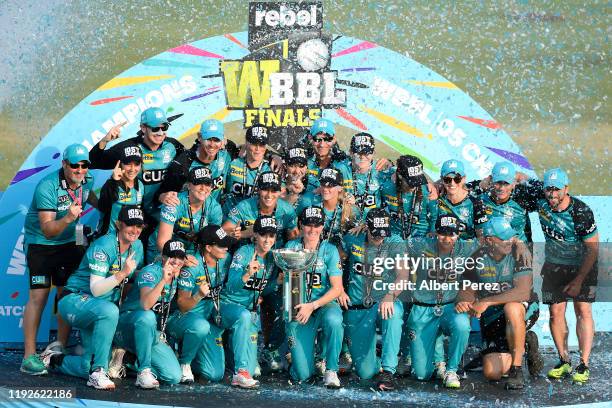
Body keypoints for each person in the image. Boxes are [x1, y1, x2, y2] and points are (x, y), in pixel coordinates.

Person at [45, 205, 145, 390]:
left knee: (85, 367)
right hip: (75, 299)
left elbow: (129, 282)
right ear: (119, 224)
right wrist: (122, 274)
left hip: (102, 308)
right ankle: (99, 372)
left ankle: (53, 360)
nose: (135, 230)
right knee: (109, 311)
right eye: (131, 225)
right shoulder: (104, 245)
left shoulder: (137, 246)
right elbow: (97, 289)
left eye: (139, 226)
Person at [21, 143, 98, 375]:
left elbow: (91, 197)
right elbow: (47, 229)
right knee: (39, 296)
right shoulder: (47, 186)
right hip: (42, 245)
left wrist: (111, 201)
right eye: (75, 165)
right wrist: (68, 218)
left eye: (84, 165)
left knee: (66, 293)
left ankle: (59, 347)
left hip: (69, 244)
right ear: (64, 164)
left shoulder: (88, 179)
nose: (80, 169)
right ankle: (28, 356)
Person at [522, 168, 598, 384]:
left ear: (566, 189)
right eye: (548, 189)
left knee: (582, 309)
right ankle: (564, 360)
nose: (552, 194)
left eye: (557, 189)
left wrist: (577, 281)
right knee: (556, 313)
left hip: (583, 265)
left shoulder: (581, 212)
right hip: (555, 265)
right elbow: (522, 179)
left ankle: (583, 363)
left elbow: (593, 250)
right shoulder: (541, 197)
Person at [457, 217, 542, 390]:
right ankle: (524, 342)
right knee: (492, 373)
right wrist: (464, 300)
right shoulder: (476, 258)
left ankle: (517, 370)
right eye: (504, 238)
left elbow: (523, 291)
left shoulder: (519, 253)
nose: (510, 240)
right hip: (492, 313)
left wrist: (486, 301)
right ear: (489, 240)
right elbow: (467, 288)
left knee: (511, 307)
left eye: (511, 236)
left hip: (522, 307)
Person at [405, 214, 476, 389]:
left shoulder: (467, 248)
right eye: (442, 233)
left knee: (462, 324)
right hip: (423, 308)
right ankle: (438, 362)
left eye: (451, 234)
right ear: (435, 233)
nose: (447, 238)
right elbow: (390, 245)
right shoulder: (420, 245)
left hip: (450, 306)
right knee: (422, 375)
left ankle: (452, 370)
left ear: (458, 234)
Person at [89, 107, 184, 234]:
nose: (161, 133)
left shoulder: (173, 145)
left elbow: (191, 161)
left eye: (164, 127)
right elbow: (93, 162)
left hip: (161, 213)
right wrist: (105, 140)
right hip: (135, 217)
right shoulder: (129, 148)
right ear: (143, 128)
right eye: (155, 128)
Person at [339, 209, 405, 391]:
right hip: (358, 305)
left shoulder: (395, 242)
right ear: (366, 227)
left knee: (394, 312)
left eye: (383, 234)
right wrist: (338, 289)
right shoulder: (353, 238)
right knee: (365, 373)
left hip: (383, 300)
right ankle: (375, 362)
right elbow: (336, 262)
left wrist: (390, 295)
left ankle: (389, 370)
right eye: (375, 234)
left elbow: (403, 275)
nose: (379, 239)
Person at [112, 239, 186, 388]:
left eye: (180, 257)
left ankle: (128, 359)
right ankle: (143, 371)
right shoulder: (150, 272)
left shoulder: (177, 275)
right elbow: (146, 304)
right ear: (163, 257)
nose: (177, 261)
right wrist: (163, 281)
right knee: (147, 316)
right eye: (173, 256)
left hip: (149, 332)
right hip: (127, 325)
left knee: (173, 376)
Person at [284, 206, 344, 388]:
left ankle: (331, 369)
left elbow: (337, 288)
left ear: (323, 226)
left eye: (317, 225)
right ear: (301, 225)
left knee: (334, 320)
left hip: (323, 305)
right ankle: (300, 361)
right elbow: (287, 282)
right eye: (308, 225)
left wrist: (314, 305)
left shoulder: (330, 250)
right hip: (299, 306)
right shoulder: (291, 247)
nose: (312, 229)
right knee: (302, 376)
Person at [167, 225, 235, 384]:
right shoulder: (192, 267)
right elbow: (182, 305)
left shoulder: (226, 259)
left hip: (207, 318)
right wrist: (198, 295)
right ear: (209, 248)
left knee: (214, 374)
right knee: (200, 326)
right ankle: (184, 363)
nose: (226, 248)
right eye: (221, 245)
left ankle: (192, 354)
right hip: (182, 318)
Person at [220, 216, 280, 388]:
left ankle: (240, 366)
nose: (267, 240)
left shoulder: (271, 259)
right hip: (228, 305)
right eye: (263, 235)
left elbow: (263, 289)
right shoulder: (244, 253)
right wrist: (246, 274)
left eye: (271, 236)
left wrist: (277, 283)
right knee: (245, 316)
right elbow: (231, 286)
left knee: (255, 371)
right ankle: (240, 373)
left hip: (249, 311)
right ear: (255, 236)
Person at [147, 166, 223, 262]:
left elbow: (212, 241)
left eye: (207, 183)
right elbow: (162, 242)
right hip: (162, 250)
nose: (203, 188)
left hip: (191, 250)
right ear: (189, 185)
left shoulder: (214, 208)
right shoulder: (175, 202)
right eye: (198, 183)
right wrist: (182, 258)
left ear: (212, 187)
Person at [157, 119, 234, 203]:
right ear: (199, 137)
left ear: (223, 140)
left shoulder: (227, 154)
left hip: (213, 213)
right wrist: (163, 197)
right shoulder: (183, 164)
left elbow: (244, 148)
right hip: (188, 213)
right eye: (208, 139)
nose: (212, 145)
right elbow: (162, 194)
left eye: (216, 140)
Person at [223, 171, 299, 247]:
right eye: (265, 189)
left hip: (275, 254)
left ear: (280, 192)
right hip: (247, 253)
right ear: (258, 190)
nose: (269, 195)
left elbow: (294, 240)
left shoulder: (288, 210)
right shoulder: (244, 207)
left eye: (274, 190)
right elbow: (222, 233)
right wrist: (243, 234)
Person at [467, 161, 532, 242]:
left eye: (506, 184)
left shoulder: (523, 198)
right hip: (487, 249)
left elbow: (544, 187)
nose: (501, 188)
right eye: (498, 183)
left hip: (518, 249)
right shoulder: (479, 196)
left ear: (514, 184)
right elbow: (456, 190)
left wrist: (525, 177)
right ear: (491, 181)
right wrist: (479, 185)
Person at [297, 168, 361, 249]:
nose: (325, 189)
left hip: (339, 252)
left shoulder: (350, 209)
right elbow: (293, 221)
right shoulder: (308, 200)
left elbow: (359, 232)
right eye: (323, 184)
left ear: (340, 188)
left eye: (330, 185)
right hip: (312, 248)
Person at [334, 132, 392, 217]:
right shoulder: (341, 169)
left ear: (373, 153)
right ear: (350, 152)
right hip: (349, 220)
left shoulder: (382, 170)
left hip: (373, 223)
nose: (362, 156)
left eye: (366, 152)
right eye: (358, 152)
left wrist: (391, 164)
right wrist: (341, 196)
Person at [381, 154, 437, 239]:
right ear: (399, 176)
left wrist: (432, 233)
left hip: (421, 237)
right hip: (394, 236)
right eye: (411, 183)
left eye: (418, 181)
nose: (415, 186)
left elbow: (434, 217)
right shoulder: (385, 185)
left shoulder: (428, 191)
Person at [222, 125, 273, 213]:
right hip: (228, 217)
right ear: (246, 142)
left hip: (253, 219)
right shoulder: (233, 160)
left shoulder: (271, 168)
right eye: (253, 144)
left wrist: (274, 156)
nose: (257, 149)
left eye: (261, 145)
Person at [433, 159, 488, 240]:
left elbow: (481, 238)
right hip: (441, 247)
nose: (452, 183)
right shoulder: (436, 198)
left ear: (464, 178)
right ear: (442, 179)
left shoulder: (476, 204)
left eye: (457, 179)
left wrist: (462, 249)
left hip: (466, 250)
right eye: (447, 179)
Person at [97, 144, 144, 235]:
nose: (132, 169)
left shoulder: (140, 185)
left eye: (137, 164)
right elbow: (102, 207)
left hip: (130, 238)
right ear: (120, 164)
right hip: (109, 238)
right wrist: (114, 182)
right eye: (128, 164)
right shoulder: (111, 184)